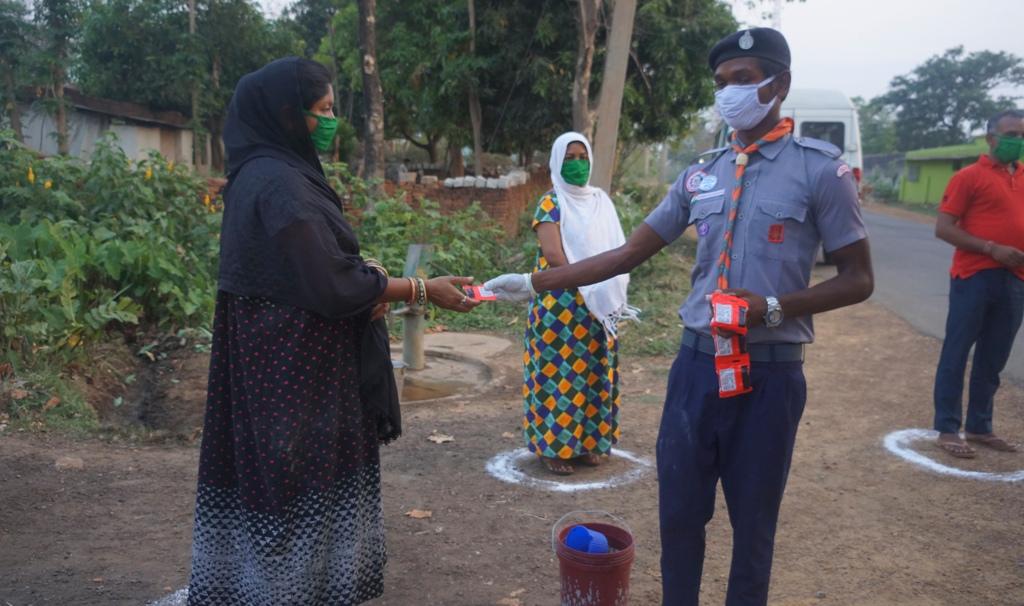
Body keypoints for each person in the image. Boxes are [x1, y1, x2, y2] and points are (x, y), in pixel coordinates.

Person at [485, 28, 873, 605]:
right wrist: (535, 282)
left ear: (779, 85)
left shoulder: (823, 173)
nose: (730, 94)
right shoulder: (701, 174)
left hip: (769, 375)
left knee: (754, 527)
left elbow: (858, 279)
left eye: (743, 80)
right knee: (680, 520)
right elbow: (625, 255)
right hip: (695, 372)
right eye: (721, 84)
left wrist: (770, 308)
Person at [186, 57, 478, 606]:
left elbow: (306, 270)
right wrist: (417, 289)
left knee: (273, 484)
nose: (330, 121)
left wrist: (369, 283)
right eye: (322, 110)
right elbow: (329, 284)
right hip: (297, 373)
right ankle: (294, 593)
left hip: (276, 361)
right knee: (297, 486)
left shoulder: (263, 173)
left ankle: (271, 588)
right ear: (286, 115)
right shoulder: (280, 184)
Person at [523, 132, 638, 475]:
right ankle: (553, 448)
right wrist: (594, 275)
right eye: (569, 158)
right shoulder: (550, 202)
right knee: (558, 376)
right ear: (557, 162)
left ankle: (590, 442)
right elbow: (555, 256)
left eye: (582, 157)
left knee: (593, 372)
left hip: (598, 305)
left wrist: (605, 283)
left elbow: (618, 248)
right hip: (560, 306)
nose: (577, 164)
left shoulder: (601, 201)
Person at [932, 108, 1024, 458]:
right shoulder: (969, 177)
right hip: (973, 276)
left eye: (1022, 134)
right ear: (991, 138)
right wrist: (991, 249)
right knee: (956, 352)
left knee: (994, 356)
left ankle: (980, 426)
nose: (1018, 140)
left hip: (1015, 279)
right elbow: (944, 228)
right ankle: (947, 427)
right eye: (1012, 133)